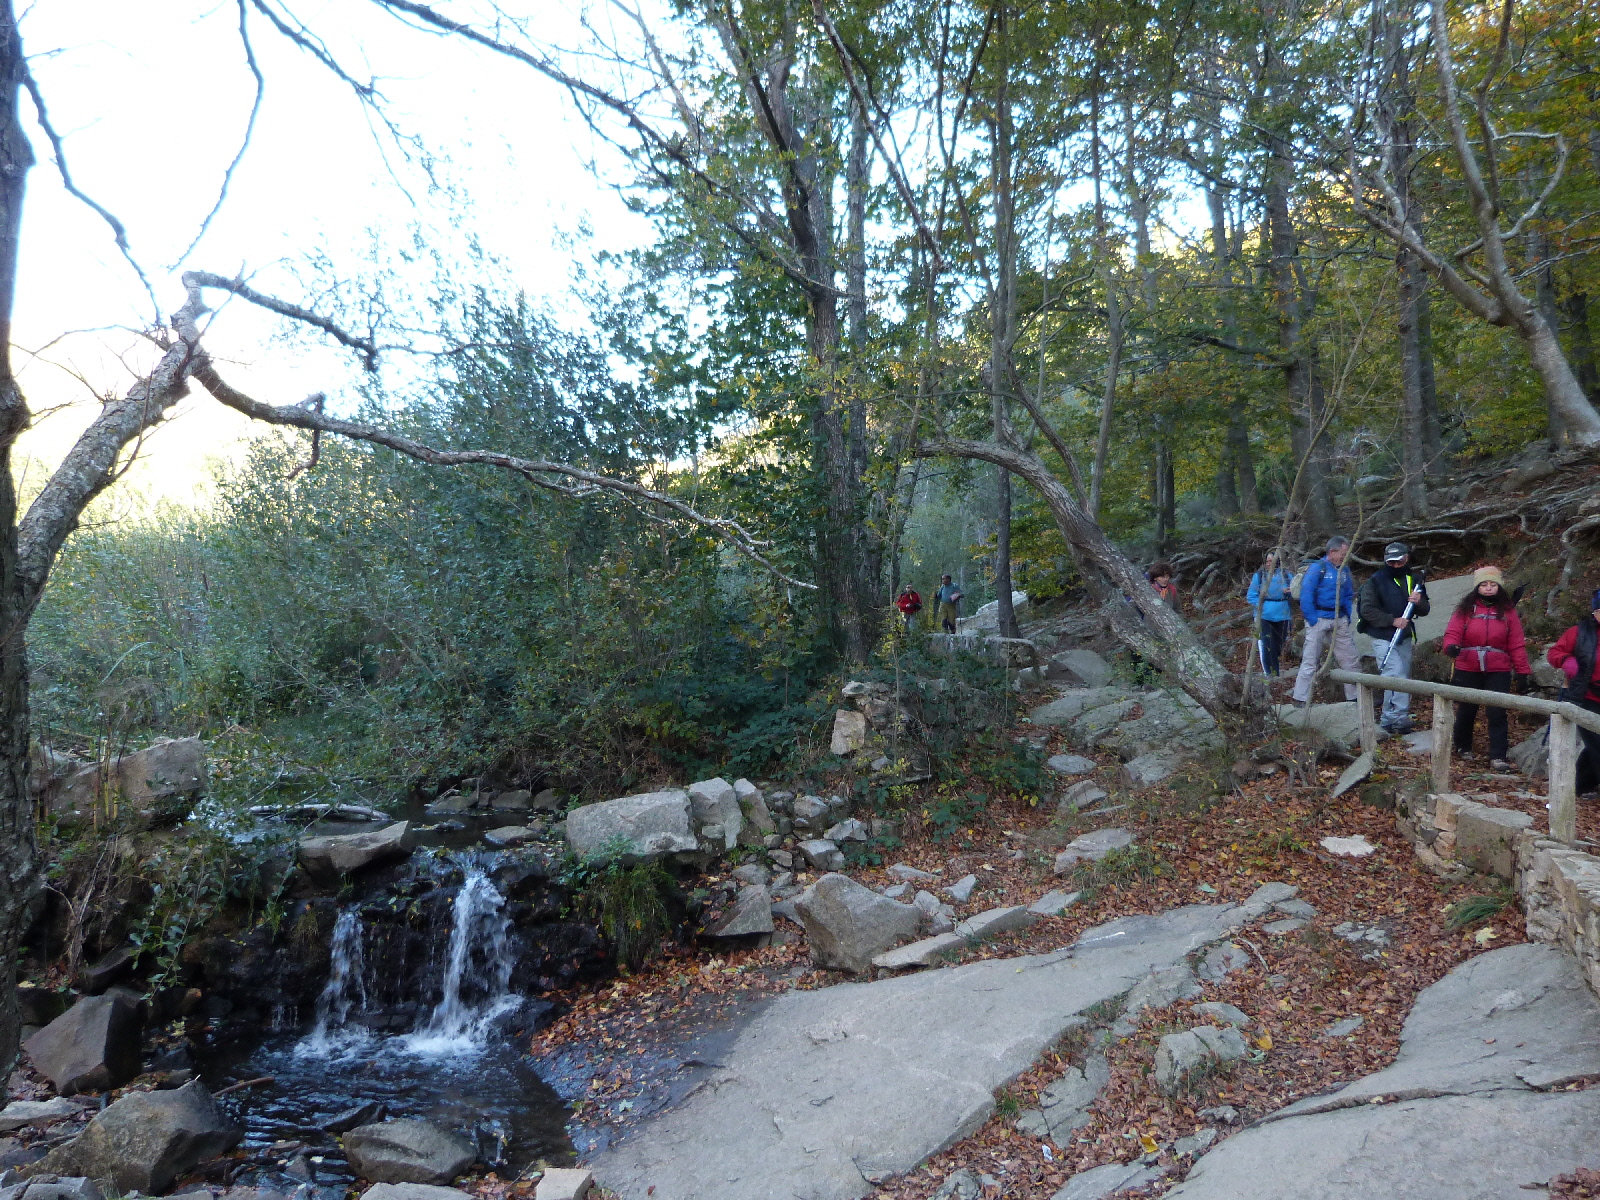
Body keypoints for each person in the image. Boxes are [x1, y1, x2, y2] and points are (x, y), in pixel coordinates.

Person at [1441, 566, 1531, 768]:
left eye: (1492, 584)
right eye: (1484, 585)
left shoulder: (1508, 612)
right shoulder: (1465, 610)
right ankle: (1463, 746)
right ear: (1477, 587)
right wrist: (1451, 647)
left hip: (1498, 668)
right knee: (1467, 709)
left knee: (1497, 711)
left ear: (1499, 587)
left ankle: (1498, 755)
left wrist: (1523, 672)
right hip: (1468, 665)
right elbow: (1452, 633)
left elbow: (1516, 643)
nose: (1488, 588)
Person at [1357, 541, 1431, 735]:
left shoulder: (1414, 580)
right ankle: (1397, 716)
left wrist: (1419, 602)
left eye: (1400, 562)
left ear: (1406, 559)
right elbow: (1367, 610)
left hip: (1404, 636)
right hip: (1382, 635)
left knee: (1402, 675)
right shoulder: (1375, 581)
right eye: (1392, 562)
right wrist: (1392, 620)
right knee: (1394, 674)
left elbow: (1425, 609)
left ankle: (1391, 718)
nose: (1396, 566)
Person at [1293, 535, 1361, 705]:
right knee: (1310, 659)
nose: (1345, 557)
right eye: (1343, 554)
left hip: (1339, 619)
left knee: (1350, 659)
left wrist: (1346, 616)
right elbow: (1306, 594)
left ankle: (1355, 697)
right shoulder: (1318, 568)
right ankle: (1300, 698)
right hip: (1319, 618)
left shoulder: (1344, 570)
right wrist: (1312, 619)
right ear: (1332, 551)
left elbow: (1348, 593)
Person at [1548, 588, 1600, 795]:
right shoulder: (1579, 632)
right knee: (1597, 742)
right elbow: (1554, 653)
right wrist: (1566, 660)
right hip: (1585, 696)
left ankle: (1580, 785)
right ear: (1594, 613)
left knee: (1595, 745)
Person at [1247, 549, 1295, 677]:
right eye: (1268, 561)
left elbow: (1296, 592)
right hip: (1264, 616)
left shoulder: (1286, 575)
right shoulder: (1259, 576)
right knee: (1267, 645)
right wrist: (1261, 606)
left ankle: (1275, 670)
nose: (1269, 564)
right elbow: (1251, 595)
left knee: (1278, 645)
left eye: (1272, 561)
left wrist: (1289, 592)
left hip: (1283, 614)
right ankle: (1270, 674)